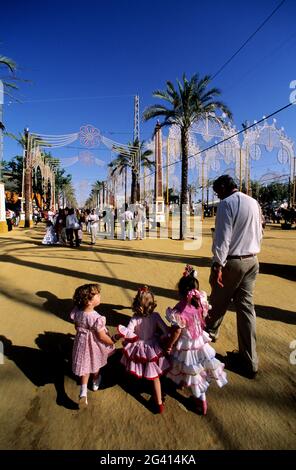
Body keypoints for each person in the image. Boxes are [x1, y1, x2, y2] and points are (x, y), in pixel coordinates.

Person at [206, 174, 263, 379]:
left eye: (217, 191)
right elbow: (260, 231)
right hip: (252, 261)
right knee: (247, 310)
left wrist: (216, 265)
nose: (217, 195)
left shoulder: (226, 204)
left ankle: (202, 344)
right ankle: (250, 361)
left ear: (223, 187)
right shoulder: (254, 202)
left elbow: (223, 237)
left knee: (216, 303)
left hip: (233, 262)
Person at [165, 265, 227, 415]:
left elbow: (177, 331)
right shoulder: (200, 302)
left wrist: (169, 345)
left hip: (186, 344)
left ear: (180, 291)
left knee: (191, 371)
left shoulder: (179, 310)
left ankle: (200, 399)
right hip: (199, 341)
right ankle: (197, 394)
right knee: (198, 368)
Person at [118, 286, 170, 413]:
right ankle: (159, 403)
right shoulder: (156, 316)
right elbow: (166, 331)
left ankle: (137, 383)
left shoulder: (135, 318)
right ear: (152, 304)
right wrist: (161, 338)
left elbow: (128, 332)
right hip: (152, 346)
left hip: (138, 345)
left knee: (136, 364)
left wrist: (128, 340)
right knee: (155, 376)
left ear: (137, 304)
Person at [70, 283, 117, 407]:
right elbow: (102, 336)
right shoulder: (96, 318)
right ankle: (95, 381)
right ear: (89, 302)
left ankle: (83, 391)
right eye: (97, 295)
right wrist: (112, 340)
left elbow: (76, 327)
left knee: (85, 366)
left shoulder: (77, 312)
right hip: (94, 344)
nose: (99, 296)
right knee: (94, 363)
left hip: (81, 342)